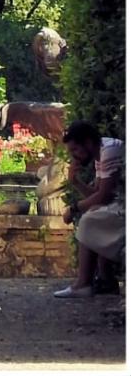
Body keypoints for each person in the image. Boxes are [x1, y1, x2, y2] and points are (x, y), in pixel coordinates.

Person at [54, 119, 124, 298]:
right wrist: (76, 182)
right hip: (121, 204)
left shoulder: (109, 151)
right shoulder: (101, 152)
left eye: (75, 150)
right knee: (94, 214)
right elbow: (98, 195)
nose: (74, 156)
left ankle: (83, 284)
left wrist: (74, 208)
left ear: (88, 142)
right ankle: (106, 280)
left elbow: (104, 196)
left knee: (89, 219)